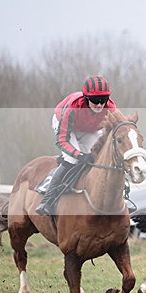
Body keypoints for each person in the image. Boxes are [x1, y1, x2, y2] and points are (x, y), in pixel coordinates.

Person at [35, 75, 118, 215]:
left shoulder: (111, 107)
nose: (99, 104)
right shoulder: (73, 107)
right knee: (73, 159)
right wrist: (78, 154)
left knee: (97, 157)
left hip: (89, 129)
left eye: (103, 100)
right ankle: (47, 201)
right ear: (86, 98)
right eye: (95, 100)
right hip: (67, 127)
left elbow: (121, 126)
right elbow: (62, 140)